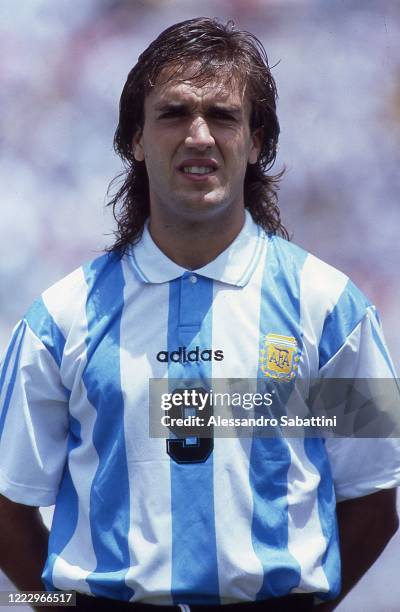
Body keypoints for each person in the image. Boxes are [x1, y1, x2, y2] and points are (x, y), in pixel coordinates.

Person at [0, 17, 399, 612]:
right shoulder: (57, 320)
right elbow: (7, 509)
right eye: (172, 114)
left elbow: (376, 502)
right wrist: (56, 609)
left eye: (223, 115)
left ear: (257, 141)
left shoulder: (333, 308)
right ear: (133, 139)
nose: (199, 135)